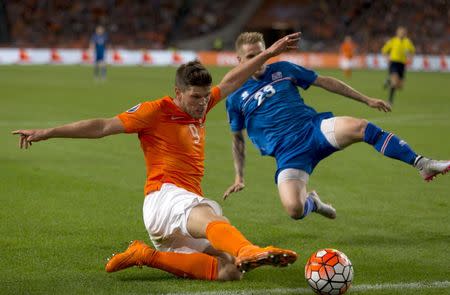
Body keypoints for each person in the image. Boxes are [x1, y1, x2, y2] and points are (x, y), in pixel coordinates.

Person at [12, 33, 301, 281]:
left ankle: (146, 255)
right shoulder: (156, 111)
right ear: (178, 92)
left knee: (231, 270)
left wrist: (270, 53)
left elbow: (231, 82)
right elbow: (102, 126)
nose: (202, 104)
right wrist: (47, 132)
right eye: (195, 98)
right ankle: (248, 248)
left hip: (179, 208)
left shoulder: (202, 104)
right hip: (165, 197)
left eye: (204, 98)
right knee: (213, 222)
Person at [223, 32, 449, 222]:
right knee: (294, 209)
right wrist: (238, 177)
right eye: (252, 56)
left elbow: (325, 81)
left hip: (314, 130)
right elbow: (237, 139)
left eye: (262, 54)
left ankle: (423, 164)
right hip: (288, 154)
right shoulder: (233, 96)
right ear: (239, 59)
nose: (259, 60)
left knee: (361, 127)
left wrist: (366, 99)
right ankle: (314, 203)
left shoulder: (283, 69)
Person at [381, 26, 415, 105]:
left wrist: (410, 56)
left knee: (400, 86)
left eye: (403, 32)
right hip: (394, 63)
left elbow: (412, 51)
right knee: (395, 82)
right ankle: (390, 100)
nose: (402, 33)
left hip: (402, 64)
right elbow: (384, 50)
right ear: (397, 33)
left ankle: (388, 81)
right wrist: (386, 58)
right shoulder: (393, 41)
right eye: (400, 32)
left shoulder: (408, 42)